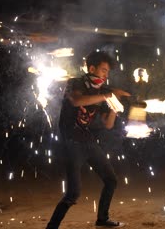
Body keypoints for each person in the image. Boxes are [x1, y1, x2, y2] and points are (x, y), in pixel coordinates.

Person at [46, 51, 130, 228]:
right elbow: (77, 101)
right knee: (73, 194)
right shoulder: (75, 83)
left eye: (108, 72)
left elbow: (107, 125)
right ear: (91, 68)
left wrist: (115, 108)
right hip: (71, 144)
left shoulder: (102, 91)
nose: (106, 75)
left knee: (111, 180)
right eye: (103, 70)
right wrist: (108, 95)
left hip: (88, 142)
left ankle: (102, 219)